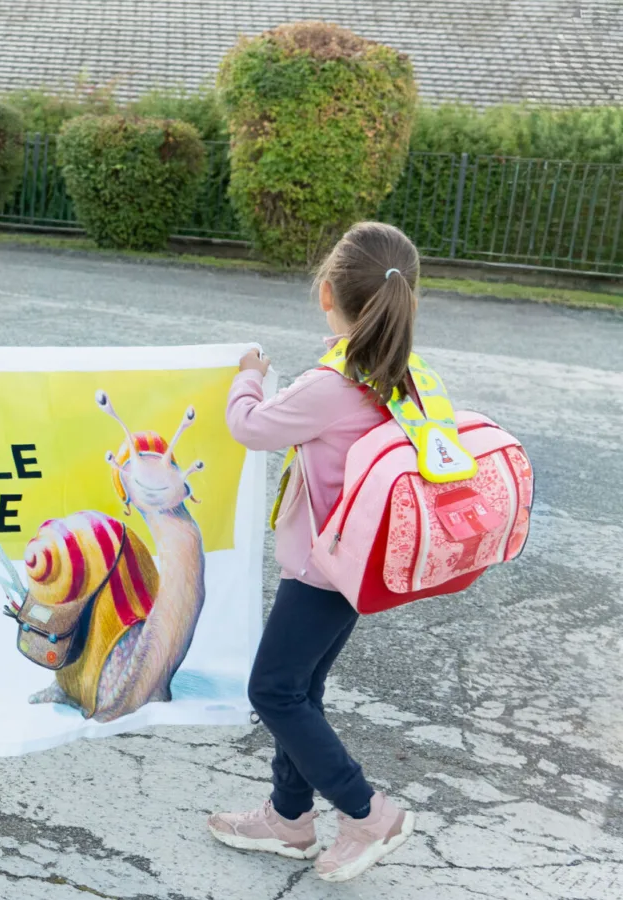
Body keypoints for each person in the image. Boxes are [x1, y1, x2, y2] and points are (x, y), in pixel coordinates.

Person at [209, 221, 420, 882]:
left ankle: (367, 812)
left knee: (272, 690)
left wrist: (248, 376)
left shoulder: (331, 386)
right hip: (359, 567)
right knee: (302, 688)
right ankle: (289, 818)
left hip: (319, 569)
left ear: (326, 293)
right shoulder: (396, 375)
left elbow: (248, 426)